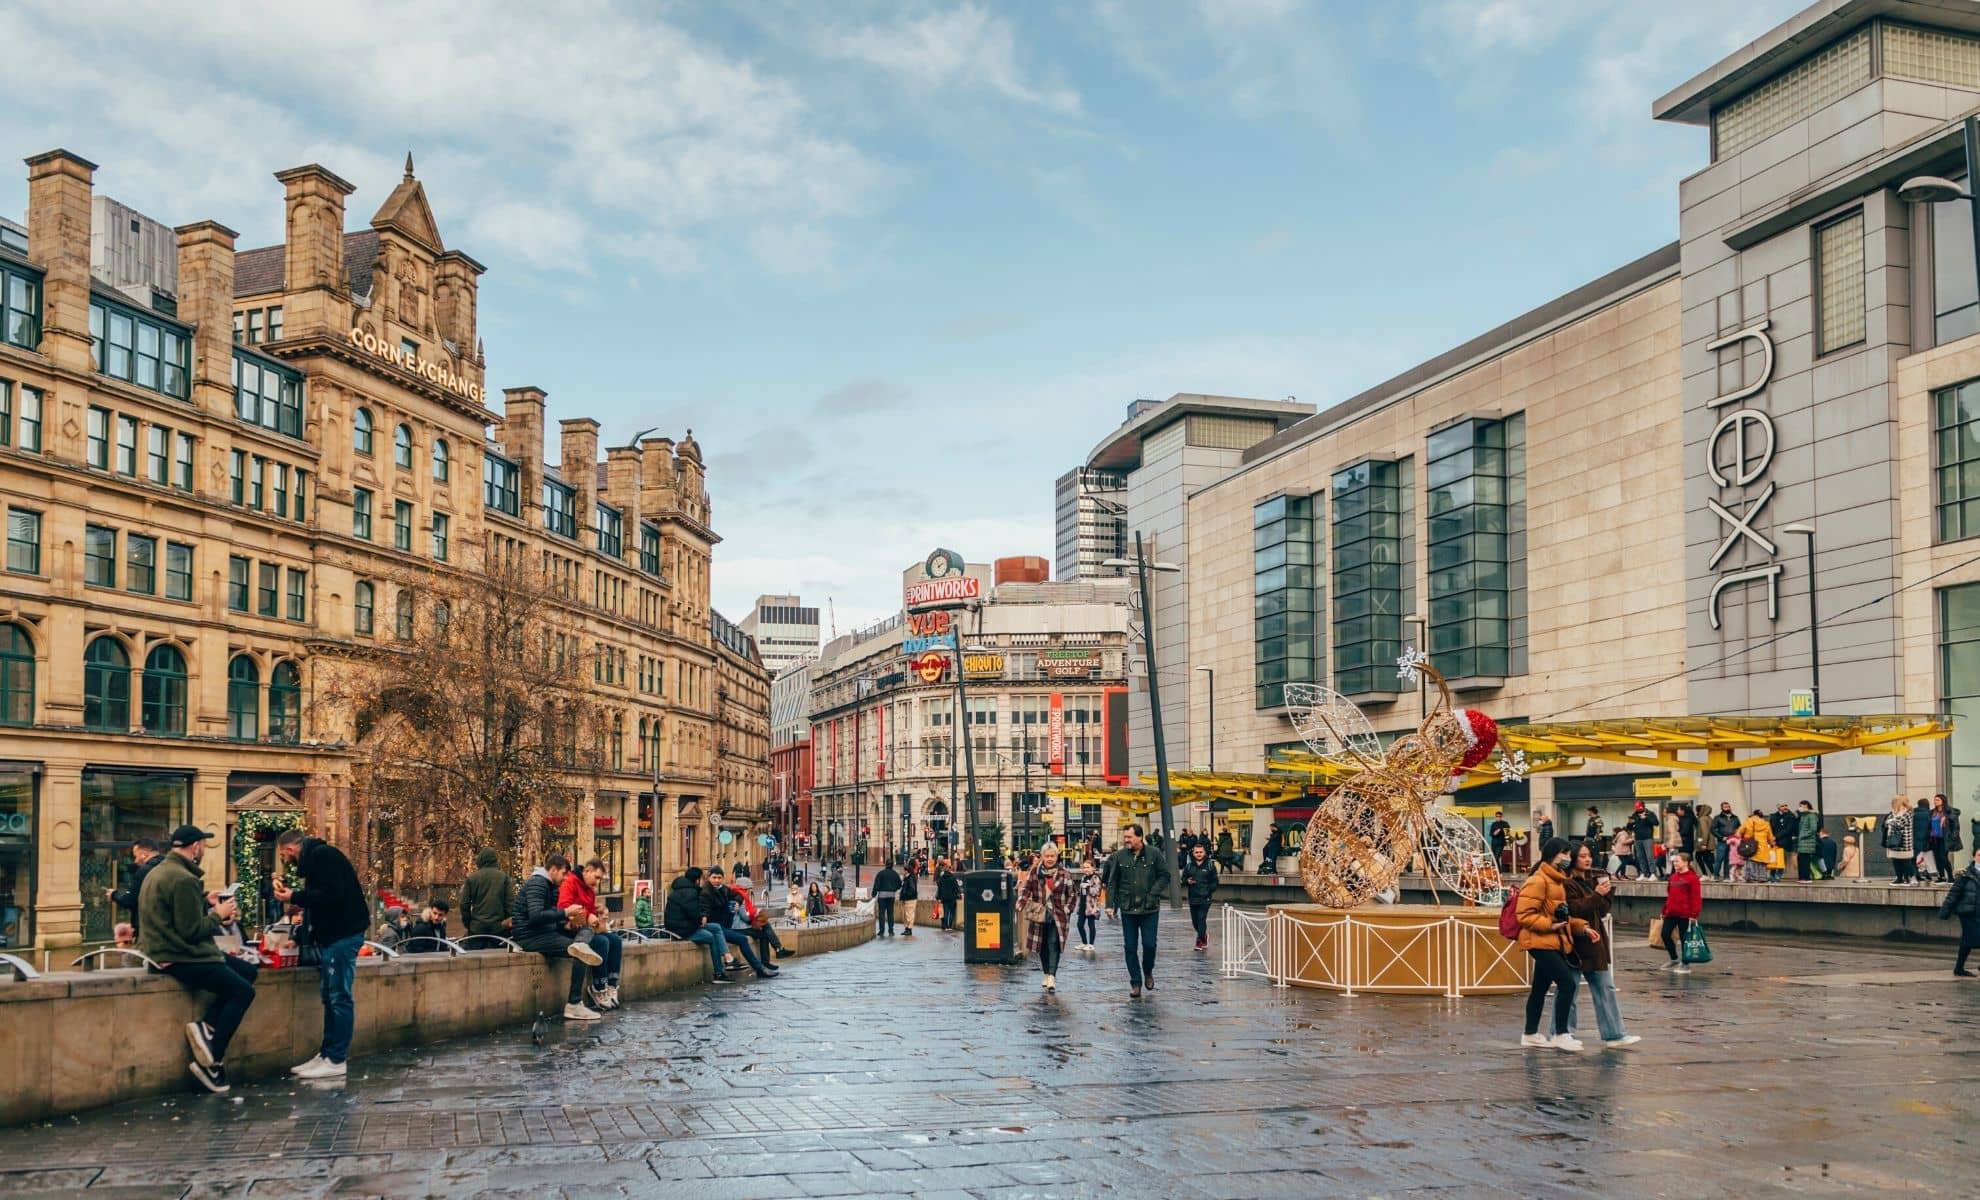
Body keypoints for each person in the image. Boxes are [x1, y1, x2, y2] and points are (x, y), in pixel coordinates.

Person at [139, 825, 255, 1093]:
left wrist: (203, 900)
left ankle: (209, 1027)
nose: (204, 850)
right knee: (243, 991)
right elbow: (191, 931)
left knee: (247, 971)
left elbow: (173, 911)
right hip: (181, 956)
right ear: (195, 847)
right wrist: (219, 913)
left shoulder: (161, 872)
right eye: (203, 845)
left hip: (163, 951)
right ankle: (212, 1059)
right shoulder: (183, 879)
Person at [271, 829, 371, 1080]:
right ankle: (327, 1054)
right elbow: (322, 900)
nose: (286, 860)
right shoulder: (318, 859)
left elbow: (331, 896)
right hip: (335, 936)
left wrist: (294, 896)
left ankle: (336, 1058)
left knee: (339, 996)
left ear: (292, 849)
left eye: (284, 855)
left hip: (342, 936)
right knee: (331, 996)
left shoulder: (323, 857)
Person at [1560, 842, 1638, 1048]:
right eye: (1582, 856)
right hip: (1575, 942)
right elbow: (1575, 909)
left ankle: (1615, 1033)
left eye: (1589, 856)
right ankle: (1562, 1032)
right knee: (1569, 989)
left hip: (1594, 942)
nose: (1588, 859)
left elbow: (1600, 911)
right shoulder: (1568, 883)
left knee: (1605, 987)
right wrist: (1596, 895)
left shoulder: (1589, 880)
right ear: (1573, 859)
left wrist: (1606, 893)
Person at [1515, 837, 1590, 1052]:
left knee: (1539, 988)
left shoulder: (1557, 880)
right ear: (1552, 855)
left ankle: (1530, 1034)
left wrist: (1580, 926)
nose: (1568, 858)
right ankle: (1561, 1034)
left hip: (1551, 941)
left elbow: (1560, 915)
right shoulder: (1539, 880)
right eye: (1564, 853)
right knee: (1567, 984)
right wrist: (1550, 925)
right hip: (1540, 941)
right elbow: (1524, 915)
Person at [513, 853, 606, 1018]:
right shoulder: (538, 883)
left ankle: (581, 944)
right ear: (553, 870)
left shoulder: (551, 886)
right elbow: (536, 916)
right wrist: (565, 912)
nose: (566, 878)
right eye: (564, 873)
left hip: (545, 932)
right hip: (530, 936)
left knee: (585, 934)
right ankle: (574, 1003)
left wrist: (566, 923)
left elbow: (551, 914)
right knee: (580, 951)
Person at [1102, 823, 1172, 998]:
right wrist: (1110, 905)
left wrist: (1153, 894)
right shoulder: (1119, 856)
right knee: (1130, 947)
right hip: (1128, 909)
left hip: (1149, 909)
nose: (1126, 840)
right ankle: (1136, 982)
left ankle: (1148, 970)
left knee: (1149, 945)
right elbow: (1113, 883)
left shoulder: (1154, 854)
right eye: (1125, 837)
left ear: (1140, 837)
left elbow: (1165, 876)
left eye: (1129, 837)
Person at [559, 858, 623, 1009]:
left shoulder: (590, 889)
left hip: (585, 929)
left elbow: (590, 911)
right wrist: (588, 916)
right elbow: (564, 906)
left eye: (600, 879)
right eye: (597, 877)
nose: (598, 882)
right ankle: (598, 987)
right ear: (587, 871)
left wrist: (596, 920)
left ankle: (611, 985)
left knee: (615, 941)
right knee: (602, 942)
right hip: (570, 929)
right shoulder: (570, 882)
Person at [1019, 843, 1078, 991]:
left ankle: (1052, 976)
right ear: (1042, 857)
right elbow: (1026, 889)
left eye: (1052, 856)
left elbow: (1072, 894)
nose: (1050, 859)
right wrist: (1021, 903)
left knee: (1053, 943)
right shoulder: (1035, 873)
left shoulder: (1065, 874)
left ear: (1057, 857)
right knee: (1042, 945)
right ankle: (1046, 973)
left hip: (1058, 916)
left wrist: (1066, 910)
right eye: (1047, 856)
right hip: (1039, 914)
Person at [703, 867, 776, 977]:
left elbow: (738, 896)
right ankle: (759, 968)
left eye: (719, 878)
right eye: (714, 878)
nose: (717, 880)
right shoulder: (706, 892)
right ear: (709, 878)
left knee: (742, 939)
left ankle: (760, 968)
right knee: (742, 939)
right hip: (715, 926)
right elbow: (704, 909)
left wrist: (737, 902)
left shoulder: (724, 889)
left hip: (724, 927)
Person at [665, 867, 731, 981]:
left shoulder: (680, 889)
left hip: (685, 925)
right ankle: (719, 972)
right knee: (711, 937)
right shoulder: (690, 892)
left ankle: (727, 957)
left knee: (716, 927)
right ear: (697, 880)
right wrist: (701, 919)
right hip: (681, 930)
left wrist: (701, 919)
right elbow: (694, 913)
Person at [107, 838, 164, 937]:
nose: (135, 861)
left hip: (147, 928)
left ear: (145, 854)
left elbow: (131, 900)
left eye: (136, 856)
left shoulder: (144, 871)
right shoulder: (169, 866)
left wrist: (114, 895)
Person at [1660, 851, 1704, 974]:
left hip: (1685, 914)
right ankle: (1674, 958)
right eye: (1673, 861)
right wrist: (1664, 910)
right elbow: (1670, 895)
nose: (1674, 863)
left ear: (1685, 862)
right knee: (1665, 934)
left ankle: (1685, 963)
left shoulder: (1692, 878)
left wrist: (1694, 914)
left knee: (1685, 939)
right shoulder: (1673, 877)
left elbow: (1696, 897)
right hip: (1671, 912)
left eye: (1677, 861)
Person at [460, 848, 515, 942]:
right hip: (499, 929)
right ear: (495, 860)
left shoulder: (472, 878)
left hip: (477, 929)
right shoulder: (504, 877)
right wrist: (506, 924)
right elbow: (510, 904)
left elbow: (464, 904)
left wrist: (469, 924)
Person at [731, 877, 791, 962]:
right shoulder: (740, 897)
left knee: (765, 926)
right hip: (739, 928)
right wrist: (755, 914)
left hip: (741, 926)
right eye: (749, 889)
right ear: (744, 888)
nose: (749, 892)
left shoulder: (738, 894)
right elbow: (745, 917)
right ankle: (777, 951)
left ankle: (777, 950)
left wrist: (755, 913)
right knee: (764, 931)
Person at [1938, 855, 1980, 975]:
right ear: (1973, 857)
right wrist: (1945, 911)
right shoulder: (1965, 875)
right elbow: (1954, 894)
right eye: (1979, 855)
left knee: (1966, 941)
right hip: (1968, 912)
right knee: (1976, 938)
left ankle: (1959, 968)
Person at [1181, 842, 1219, 952]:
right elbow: (1183, 880)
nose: (1199, 854)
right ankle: (1204, 935)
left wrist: (1209, 891)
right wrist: (1187, 881)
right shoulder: (1188, 866)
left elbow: (1215, 881)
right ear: (1193, 853)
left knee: (1201, 919)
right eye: (1196, 852)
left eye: (1201, 852)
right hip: (1193, 897)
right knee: (1195, 922)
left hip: (1205, 898)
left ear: (1204, 852)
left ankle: (1199, 941)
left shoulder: (1210, 865)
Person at [1883, 797, 1917, 884]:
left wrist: (1890, 821)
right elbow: (1886, 822)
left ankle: (1912, 877)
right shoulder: (1893, 813)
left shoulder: (1907, 812)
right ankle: (1899, 878)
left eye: (1894, 802)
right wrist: (1891, 821)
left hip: (1904, 841)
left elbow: (1899, 824)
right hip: (1893, 840)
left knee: (1906, 861)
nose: (1893, 803)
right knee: (1895, 860)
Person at [1739, 809, 1776, 884]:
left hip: (1751, 845)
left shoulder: (1749, 820)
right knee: (1762, 862)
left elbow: (1740, 831)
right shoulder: (1766, 823)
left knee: (1752, 861)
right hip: (1763, 846)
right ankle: (1762, 877)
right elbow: (1770, 836)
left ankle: (1751, 877)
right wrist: (1772, 843)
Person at [1627, 802, 1659, 881]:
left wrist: (1646, 818)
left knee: (1650, 856)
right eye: (1637, 809)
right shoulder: (1634, 815)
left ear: (1643, 807)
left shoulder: (1650, 814)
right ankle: (1644, 873)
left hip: (1647, 838)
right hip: (1638, 839)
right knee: (1640, 857)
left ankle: (1653, 873)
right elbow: (1629, 827)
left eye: (1639, 809)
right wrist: (1630, 823)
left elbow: (1656, 823)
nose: (1638, 811)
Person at [1075, 861, 1102, 953]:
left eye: (1088, 867)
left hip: (1091, 906)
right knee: (1079, 924)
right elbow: (1082, 892)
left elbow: (1097, 892)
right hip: (1083, 904)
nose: (1085, 869)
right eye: (1084, 867)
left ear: (1093, 868)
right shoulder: (1084, 877)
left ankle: (1091, 944)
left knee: (1091, 925)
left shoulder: (1095, 878)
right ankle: (1084, 942)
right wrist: (1080, 891)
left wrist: (1088, 887)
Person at [1709, 803, 1741, 881]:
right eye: (1725, 807)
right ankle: (1715, 875)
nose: (1727, 808)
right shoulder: (1718, 818)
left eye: (1728, 806)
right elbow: (1712, 829)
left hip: (1732, 842)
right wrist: (1721, 837)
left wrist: (1737, 837)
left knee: (1728, 859)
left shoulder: (1735, 818)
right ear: (1722, 808)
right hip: (1722, 842)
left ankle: (1726, 876)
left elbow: (1740, 828)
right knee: (1719, 859)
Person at [871, 859, 902, 937]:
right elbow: (899, 885)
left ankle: (881, 931)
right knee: (890, 913)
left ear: (886, 864)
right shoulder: (895, 874)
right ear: (892, 865)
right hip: (891, 895)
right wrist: (894, 888)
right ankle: (891, 931)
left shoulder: (881, 873)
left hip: (882, 895)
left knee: (882, 913)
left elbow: (876, 885)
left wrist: (873, 894)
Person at [1929, 794, 1954, 883]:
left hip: (1944, 838)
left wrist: (1953, 835)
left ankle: (1950, 876)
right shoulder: (1932, 812)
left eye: (1938, 800)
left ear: (1943, 801)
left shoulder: (1948, 812)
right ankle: (1942, 876)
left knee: (1943, 857)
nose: (1935, 801)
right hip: (1934, 838)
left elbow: (1954, 824)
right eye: (1935, 800)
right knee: (1937, 858)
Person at [1794, 800, 1822, 881]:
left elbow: (1813, 829)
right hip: (1802, 842)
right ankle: (1802, 878)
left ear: (1806, 806)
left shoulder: (1812, 815)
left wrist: (1802, 836)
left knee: (1805, 860)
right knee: (1801, 859)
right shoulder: (1803, 816)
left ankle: (1806, 878)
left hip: (1807, 841)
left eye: (1801, 806)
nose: (1799, 808)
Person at [935, 860, 960, 931]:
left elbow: (939, 888)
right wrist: (958, 894)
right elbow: (956, 887)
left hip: (944, 898)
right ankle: (950, 926)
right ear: (949, 869)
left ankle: (945, 926)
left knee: (945, 912)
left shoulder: (942, 878)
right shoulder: (953, 877)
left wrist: (939, 897)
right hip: (952, 898)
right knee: (952, 912)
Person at [898, 862, 919, 937]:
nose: (902, 872)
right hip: (906, 899)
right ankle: (907, 929)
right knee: (905, 915)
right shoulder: (907, 878)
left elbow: (912, 890)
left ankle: (909, 929)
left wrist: (905, 894)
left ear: (907, 871)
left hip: (910, 899)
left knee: (909, 914)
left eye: (903, 870)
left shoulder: (910, 878)